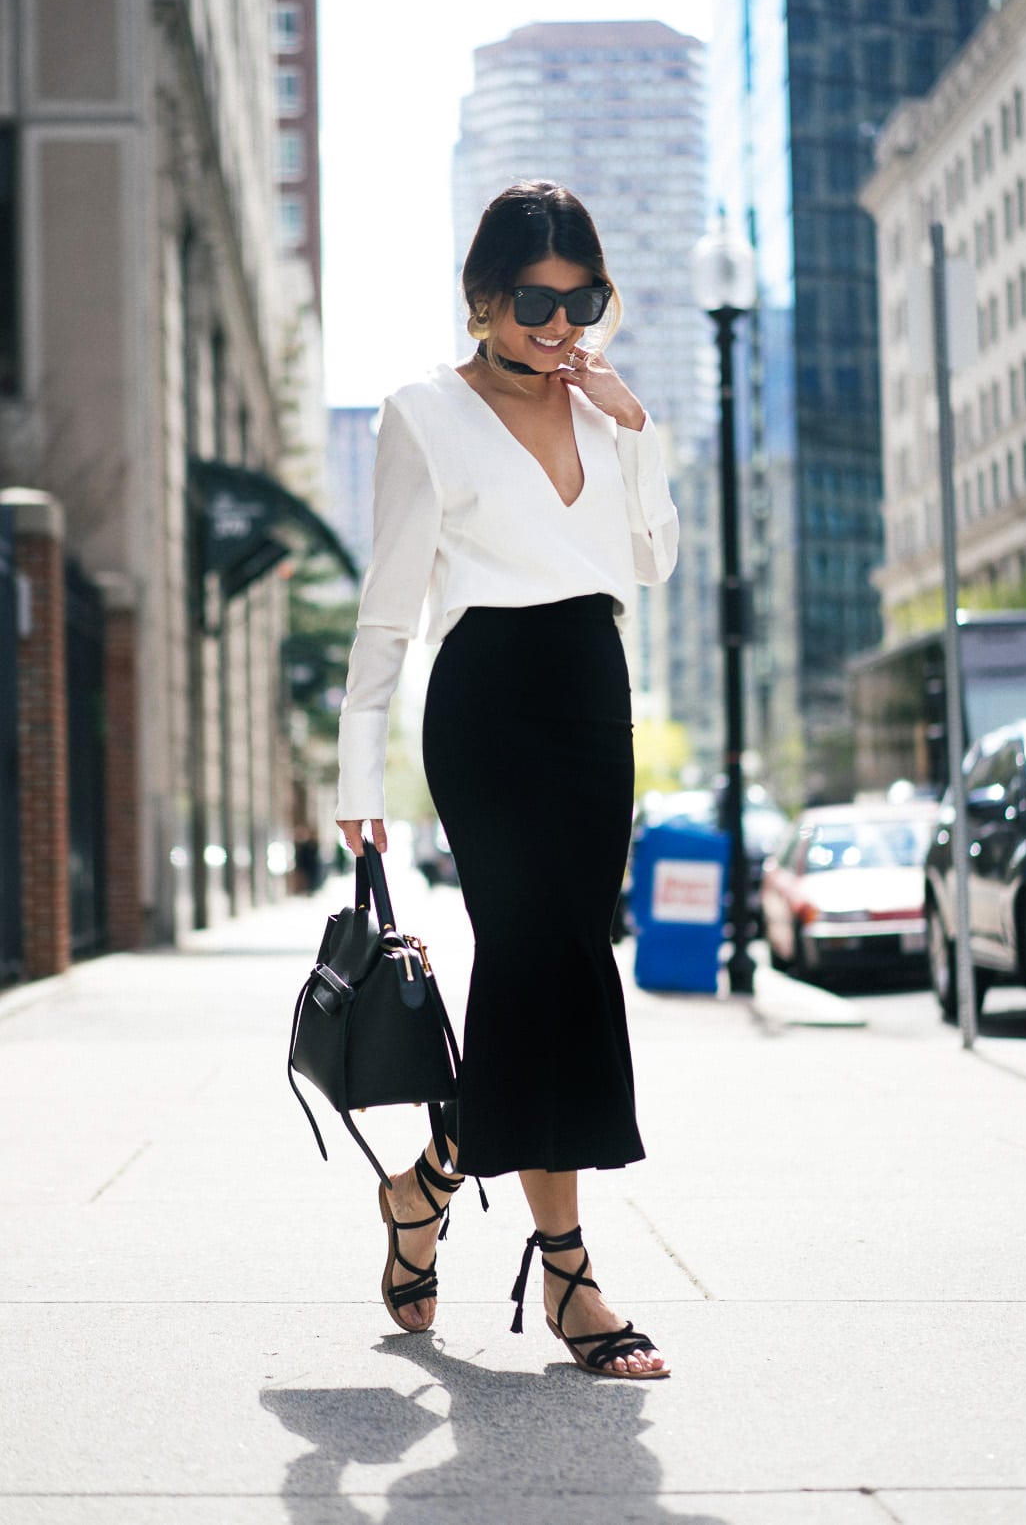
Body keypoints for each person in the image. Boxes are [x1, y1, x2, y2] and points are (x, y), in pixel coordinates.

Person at [336, 181, 679, 1380]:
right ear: (483, 297)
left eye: (583, 296)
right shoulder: (423, 411)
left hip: (593, 688)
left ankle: (424, 1188)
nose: (559, 318)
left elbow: (651, 555)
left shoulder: (603, 409)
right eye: (535, 297)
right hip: (485, 697)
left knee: (566, 959)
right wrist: (356, 767)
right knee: (541, 958)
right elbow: (389, 605)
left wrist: (632, 428)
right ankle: (571, 1267)